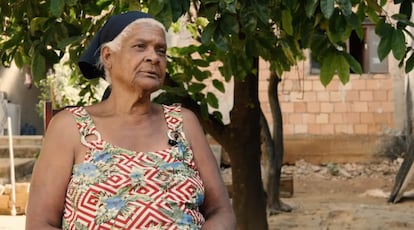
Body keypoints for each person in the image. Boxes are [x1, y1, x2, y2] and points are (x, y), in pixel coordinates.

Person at [26, 11, 236, 229]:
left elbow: (221, 212)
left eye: (161, 51)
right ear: (108, 56)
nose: (154, 57)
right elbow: (41, 223)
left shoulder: (183, 123)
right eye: (140, 46)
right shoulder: (70, 127)